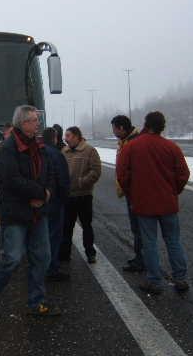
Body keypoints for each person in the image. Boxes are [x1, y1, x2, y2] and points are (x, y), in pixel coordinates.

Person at [0, 105, 59, 316]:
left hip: (38, 212)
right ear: (23, 123)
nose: (38, 124)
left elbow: (49, 172)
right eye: (34, 120)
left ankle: (37, 302)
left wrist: (47, 193)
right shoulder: (8, 148)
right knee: (13, 258)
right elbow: (10, 180)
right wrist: (38, 194)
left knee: (42, 257)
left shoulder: (39, 145)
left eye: (37, 120)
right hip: (15, 212)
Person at [117, 111, 190, 295]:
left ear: (146, 124)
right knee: (173, 241)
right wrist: (174, 191)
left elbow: (122, 174)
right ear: (162, 126)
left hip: (143, 204)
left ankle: (155, 280)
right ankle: (180, 278)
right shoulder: (172, 147)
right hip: (168, 204)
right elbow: (183, 174)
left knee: (149, 243)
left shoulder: (132, 147)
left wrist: (131, 194)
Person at [59, 126, 101, 264]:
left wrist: (82, 182)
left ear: (77, 136)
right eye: (65, 135)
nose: (66, 138)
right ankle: (64, 254)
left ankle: (90, 253)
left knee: (86, 226)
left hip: (84, 195)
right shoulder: (64, 151)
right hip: (68, 196)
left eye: (69, 135)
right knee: (67, 227)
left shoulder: (89, 150)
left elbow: (95, 171)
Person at [111, 115, 143, 273]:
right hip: (132, 191)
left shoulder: (134, 143)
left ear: (121, 128)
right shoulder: (125, 141)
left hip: (136, 193)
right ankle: (140, 257)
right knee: (137, 228)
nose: (113, 131)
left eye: (114, 128)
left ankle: (142, 261)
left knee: (139, 228)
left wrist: (129, 187)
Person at [42, 127, 71, 281]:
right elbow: (63, 179)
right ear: (54, 138)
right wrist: (65, 198)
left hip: (40, 200)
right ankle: (51, 268)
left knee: (41, 235)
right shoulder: (56, 154)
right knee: (53, 236)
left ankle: (40, 265)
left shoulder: (37, 152)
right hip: (54, 202)